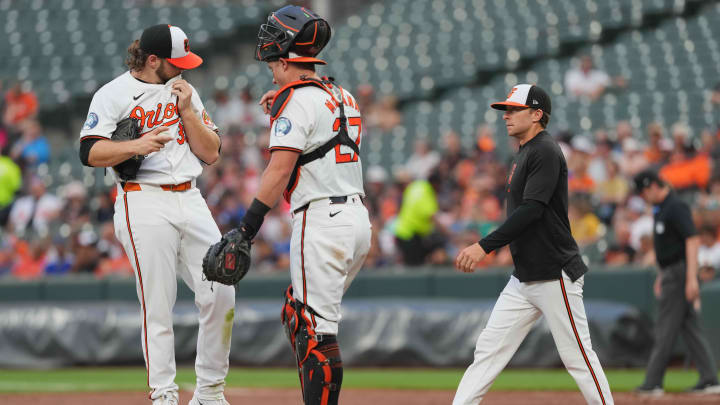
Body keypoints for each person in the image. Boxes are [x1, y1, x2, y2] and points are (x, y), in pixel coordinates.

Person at [216, 6, 371, 405]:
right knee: (297, 313)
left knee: (313, 330)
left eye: (273, 63)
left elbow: (279, 169)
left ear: (286, 60)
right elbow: (318, 123)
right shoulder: (343, 95)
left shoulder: (296, 102)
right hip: (356, 221)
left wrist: (246, 228)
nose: (270, 70)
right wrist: (285, 96)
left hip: (320, 220)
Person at [78, 24, 235, 405]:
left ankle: (210, 394)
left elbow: (211, 151)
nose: (184, 68)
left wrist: (187, 112)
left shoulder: (185, 91)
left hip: (190, 196)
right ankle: (164, 395)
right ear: (152, 60)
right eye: (176, 62)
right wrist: (137, 145)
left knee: (222, 293)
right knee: (158, 302)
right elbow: (89, 153)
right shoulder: (112, 94)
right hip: (142, 198)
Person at [453, 84, 614, 405]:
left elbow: (532, 210)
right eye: (506, 110)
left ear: (537, 114)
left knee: (578, 357)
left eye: (515, 110)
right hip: (525, 276)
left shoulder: (544, 150)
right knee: (489, 349)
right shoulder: (526, 150)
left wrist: (484, 246)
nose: (507, 116)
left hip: (554, 272)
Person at [633, 171, 720, 395]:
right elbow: (670, 247)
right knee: (690, 327)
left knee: (665, 327)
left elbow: (692, 240)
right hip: (672, 272)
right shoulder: (662, 208)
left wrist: (692, 278)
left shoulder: (675, 206)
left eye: (644, 192)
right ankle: (710, 379)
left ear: (652, 186)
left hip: (680, 273)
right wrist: (662, 275)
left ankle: (653, 382)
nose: (644, 197)